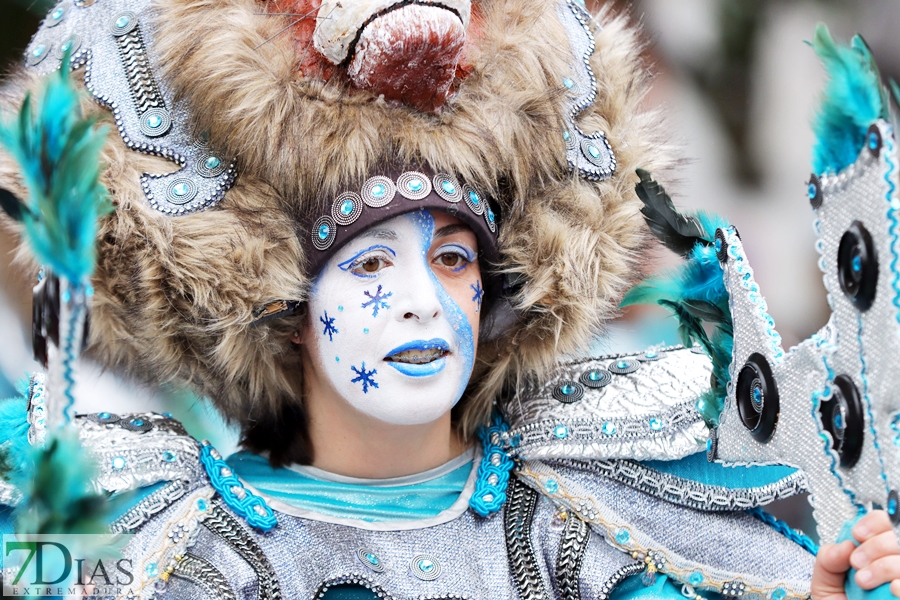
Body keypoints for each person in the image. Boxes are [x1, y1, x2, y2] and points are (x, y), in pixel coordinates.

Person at [1, 0, 899, 598]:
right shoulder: (191, 552)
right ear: (287, 307)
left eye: (455, 261)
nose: (423, 304)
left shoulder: (581, 516)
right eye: (370, 269)